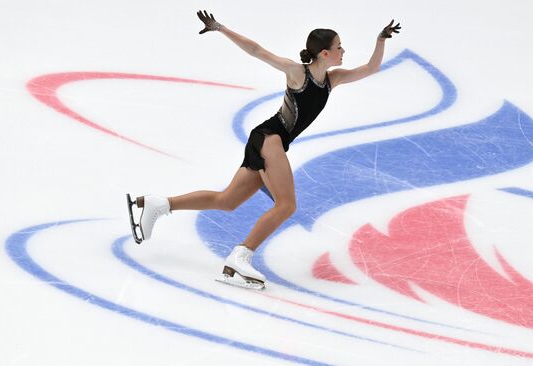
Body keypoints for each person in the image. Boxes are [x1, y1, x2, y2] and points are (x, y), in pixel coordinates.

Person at [126, 10, 401, 289]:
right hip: (270, 138)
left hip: (270, 140)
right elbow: (257, 50)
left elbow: (370, 69)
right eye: (338, 46)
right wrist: (221, 28)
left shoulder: (333, 79)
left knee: (227, 201)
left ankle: (159, 204)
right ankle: (240, 256)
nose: (343, 50)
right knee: (287, 205)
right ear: (324, 53)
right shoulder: (297, 73)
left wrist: (381, 40)